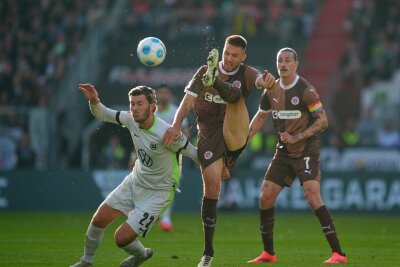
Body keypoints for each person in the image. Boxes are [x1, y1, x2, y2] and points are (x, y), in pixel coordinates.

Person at [163, 35, 275, 267]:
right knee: (213, 186)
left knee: (236, 98)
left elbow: (260, 83)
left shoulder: (247, 72)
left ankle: (215, 83)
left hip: (234, 128)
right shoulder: (203, 70)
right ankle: (208, 252)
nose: (230, 58)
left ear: (243, 57)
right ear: (222, 52)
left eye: (235, 55)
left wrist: (267, 82)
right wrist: (175, 126)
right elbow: (186, 103)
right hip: (208, 135)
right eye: (226, 54)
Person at [71, 83, 198, 267]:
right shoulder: (130, 120)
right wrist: (94, 100)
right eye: (132, 104)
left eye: (140, 104)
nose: (135, 108)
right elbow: (102, 113)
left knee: (121, 239)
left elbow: (195, 154)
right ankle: (86, 262)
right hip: (134, 182)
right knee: (98, 220)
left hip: (158, 193)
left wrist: (219, 169)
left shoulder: (167, 134)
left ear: (152, 107)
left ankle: (141, 255)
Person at [247, 47, 347, 264]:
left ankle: (338, 254)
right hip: (283, 152)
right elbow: (260, 117)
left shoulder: (305, 89)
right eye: (279, 60)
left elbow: (323, 121)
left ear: (296, 64)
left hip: (306, 150)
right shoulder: (270, 89)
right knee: (265, 196)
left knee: (311, 194)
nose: (282, 64)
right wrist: (243, 140)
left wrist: (297, 136)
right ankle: (268, 253)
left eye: (287, 60)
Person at [155, 84, 191, 231]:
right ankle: (149, 213)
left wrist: (179, 146)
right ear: (156, 95)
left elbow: (186, 132)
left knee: (171, 186)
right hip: (154, 154)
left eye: (166, 93)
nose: (163, 95)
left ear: (170, 95)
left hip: (172, 155)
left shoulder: (177, 111)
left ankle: (165, 218)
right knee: (152, 186)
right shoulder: (151, 113)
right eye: (160, 93)